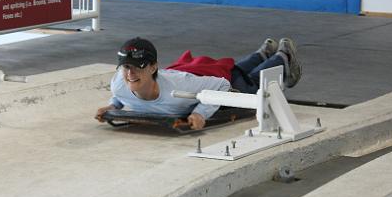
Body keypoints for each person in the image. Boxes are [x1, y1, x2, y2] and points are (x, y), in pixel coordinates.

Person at [95, 37, 301, 130]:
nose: (129, 73)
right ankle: (261, 54)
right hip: (192, 74)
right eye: (125, 67)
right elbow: (121, 93)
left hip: (209, 81)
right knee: (231, 68)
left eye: (137, 67)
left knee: (249, 87)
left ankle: (283, 56)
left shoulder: (178, 87)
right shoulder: (119, 83)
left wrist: (200, 113)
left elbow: (221, 84)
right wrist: (113, 105)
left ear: (152, 67)